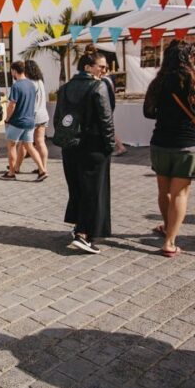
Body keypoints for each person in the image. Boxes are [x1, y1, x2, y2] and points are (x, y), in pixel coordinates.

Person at [143, 40, 195, 257]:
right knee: (180, 194)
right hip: (186, 143)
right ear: (189, 58)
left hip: (160, 142)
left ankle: (167, 227)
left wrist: (166, 112)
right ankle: (169, 241)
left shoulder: (158, 82)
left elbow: (148, 112)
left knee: (163, 191)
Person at [54, 52, 115, 254]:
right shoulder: (99, 86)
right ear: (88, 67)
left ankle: (78, 226)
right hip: (93, 146)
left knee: (78, 188)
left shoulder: (64, 88)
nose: (104, 71)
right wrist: (110, 145)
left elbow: (58, 119)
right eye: (101, 67)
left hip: (70, 146)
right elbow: (106, 120)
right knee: (94, 191)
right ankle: (84, 234)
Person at [2, 61, 47, 181]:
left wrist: (7, 119)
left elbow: (12, 105)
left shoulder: (16, 86)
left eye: (11, 71)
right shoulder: (31, 84)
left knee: (11, 145)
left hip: (18, 121)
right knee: (30, 146)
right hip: (30, 121)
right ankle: (42, 170)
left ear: (14, 71)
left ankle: (11, 172)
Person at [15, 60, 49, 174]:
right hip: (43, 114)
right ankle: (43, 167)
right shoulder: (40, 81)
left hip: (32, 115)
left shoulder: (29, 83)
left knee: (24, 143)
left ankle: (16, 167)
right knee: (40, 142)